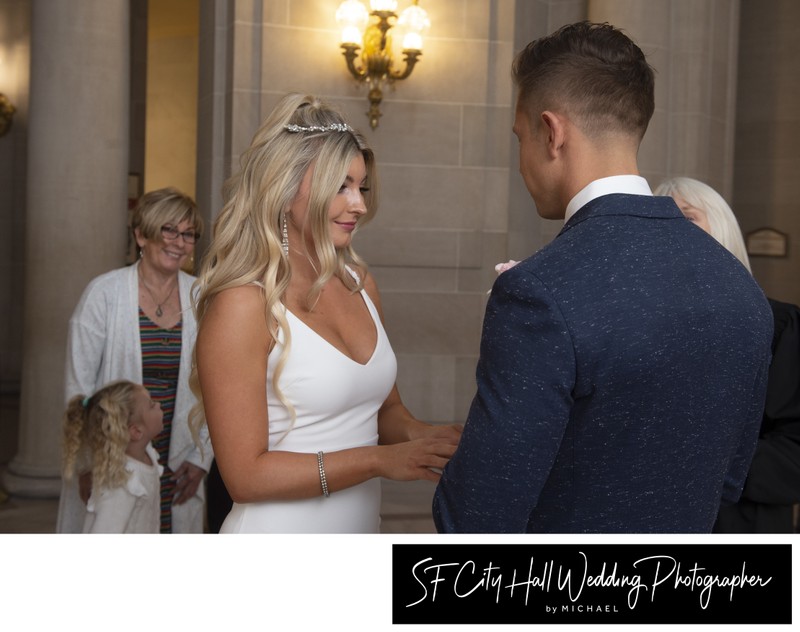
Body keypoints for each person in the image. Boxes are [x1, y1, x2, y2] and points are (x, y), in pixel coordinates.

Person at [432, 21, 774, 533]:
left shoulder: (540, 292)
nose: (522, 161)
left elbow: (478, 514)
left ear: (552, 132)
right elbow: (727, 478)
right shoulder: (739, 286)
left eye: (520, 138)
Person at [191, 93, 462, 533]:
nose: (359, 204)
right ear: (285, 189)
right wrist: (379, 460)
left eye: (361, 186)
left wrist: (428, 438)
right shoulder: (244, 304)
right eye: (341, 186)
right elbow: (245, 477)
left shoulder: (360, 284)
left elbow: (384, 411)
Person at [57, 187, 212, 534]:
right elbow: (77, 387)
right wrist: (86, 465)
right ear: (141, 234)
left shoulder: (201, 297)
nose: (179, 241)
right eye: (168, 230)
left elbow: (220, 387)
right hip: (110, 457)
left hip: (180, 460)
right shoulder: (104, 294)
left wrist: (202, 458)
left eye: (188, 234)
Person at [655, 176, 800, 533]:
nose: (673, 231)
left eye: (687, 217)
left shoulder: (777, 325)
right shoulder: (637, 326)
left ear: (720, 227)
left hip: (740, 523)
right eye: (661, 221)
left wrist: (698, 458)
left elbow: (793, 451)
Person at [62, 380, 164, 533]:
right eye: (151, 405)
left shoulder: (148, 456)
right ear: (136, 431)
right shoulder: (121, 483)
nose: (158, 404)